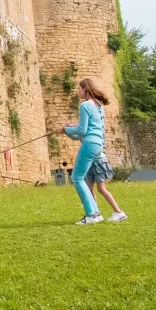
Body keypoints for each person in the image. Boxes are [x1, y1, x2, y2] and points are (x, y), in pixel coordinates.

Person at [61, 78, 111, 225]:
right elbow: (88, 130)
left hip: (89, 144)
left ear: (85, 89)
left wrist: (65, 129)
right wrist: (67, 131)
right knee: (81, 178)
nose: (78, 91)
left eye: (79, 89)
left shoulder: (84, 106)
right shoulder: (99, 105)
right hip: (98, 145)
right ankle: (96, 214)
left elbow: (82, 131)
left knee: (77, 178)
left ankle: (91, 215)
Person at [87, 150, 128, 222]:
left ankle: (119, 212)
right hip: (90, 162)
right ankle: (95, 213)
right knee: (89, 189)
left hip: (97, 162)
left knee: (101, 188)